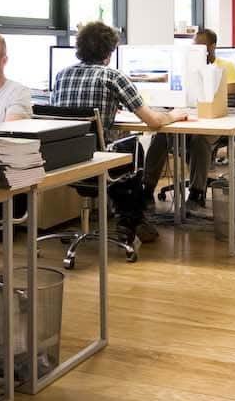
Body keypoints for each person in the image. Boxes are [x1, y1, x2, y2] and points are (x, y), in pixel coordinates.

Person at [51, 20, 187, 243]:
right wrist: (174, 115)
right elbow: (153, 121)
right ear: (109, 51)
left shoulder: (61, 75)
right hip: (96, 161)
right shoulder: (112, 77)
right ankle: (130, 219)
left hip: (65, 160)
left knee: (122, 148)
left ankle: (131, 218)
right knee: (133, 147)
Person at [143, 28, 235, 210]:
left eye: (201, 45)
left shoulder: (225, 66)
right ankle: (147, 189)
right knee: (161, 135)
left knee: (199, 139)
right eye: (195, 45)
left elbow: (233, 94)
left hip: (215, 122)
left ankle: (196, 192)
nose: (197, 49)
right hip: (188, 118)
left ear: (212, 46)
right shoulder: (187, 68)